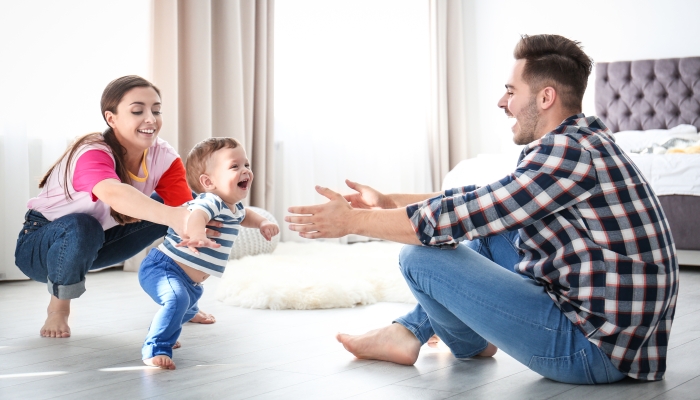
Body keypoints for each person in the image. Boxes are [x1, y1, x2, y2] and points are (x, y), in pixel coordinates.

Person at [285, 34, 678, 384]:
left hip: (593, 351)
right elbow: (488, 199)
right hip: (625, 343)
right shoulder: (583, 139)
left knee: (419, 258)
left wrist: (353, 221)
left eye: (511, 90)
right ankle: (408, 332)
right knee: (495, 229)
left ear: (545, 97)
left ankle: (457, 342)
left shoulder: (566, 152)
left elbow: (457, 216)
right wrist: (391, 202)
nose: (502, 101)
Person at [15, 75, 220, 339]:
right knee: (81, 224)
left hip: (100, 242)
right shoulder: (91, 150)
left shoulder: (164, 156)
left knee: (194, 209)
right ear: (111, 118)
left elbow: (185, 216)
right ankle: (59, 309)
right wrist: (176, 216)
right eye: (138, 111)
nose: (151, 118)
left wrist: (195, 224)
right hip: (41, 247)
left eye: (156, 110)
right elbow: (113, 193)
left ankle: (185, 302)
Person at [139, 137, 279, 369]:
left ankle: (176, 318)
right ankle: (155, 347)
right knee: (177, 300)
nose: (245, 171)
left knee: (183, 303)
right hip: (164, 267)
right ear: (208, 181)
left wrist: (263, 222)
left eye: (247, 165)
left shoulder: (235, 206)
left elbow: (247, 216)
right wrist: (197, 234)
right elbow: (197, 216)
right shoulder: (210, 201)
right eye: (235, 166)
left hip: (190, 282)